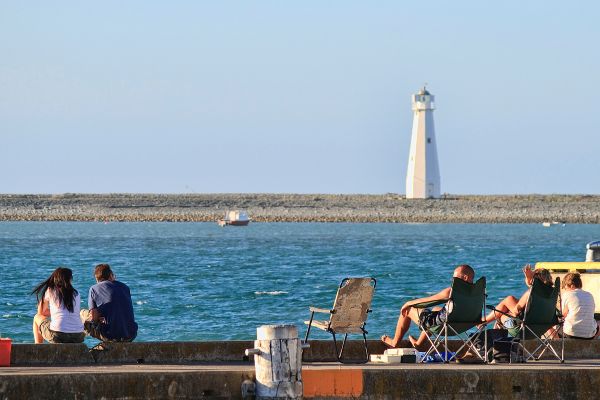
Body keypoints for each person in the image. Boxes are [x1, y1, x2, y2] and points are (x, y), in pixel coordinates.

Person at [381, 264, 475, 348]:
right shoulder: (476, 292)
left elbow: (429, 300)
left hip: (444, 326)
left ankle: (394, 343)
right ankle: (418, 344)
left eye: (455, 277)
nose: (452, 280)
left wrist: (408, 303)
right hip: (462, 326)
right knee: (436, 309)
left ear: (465, 277)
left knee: (407, 310)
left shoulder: (451, 292)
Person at [80, 264, 138, 342]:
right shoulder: (125, 287)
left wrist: (97, 319)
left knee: (82, 313)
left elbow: (94, 316)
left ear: (96, 278)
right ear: (111, 275)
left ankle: (77, 341)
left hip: (110, 336)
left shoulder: (94, 289)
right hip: (131, 335)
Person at [483, 265, 553, 328]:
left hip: (524, 326)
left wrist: (507, 313)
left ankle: (483, 322)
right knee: (510, 299)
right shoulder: (550, 293)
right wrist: (529, 278)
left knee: (502, 313)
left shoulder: (530, 293)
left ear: (534, 280)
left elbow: (515, 312)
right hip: (541, 324)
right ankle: (483, 321)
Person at [31, 267, 85, 344]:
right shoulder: (76, 293)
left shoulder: (50, 290)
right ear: (70, 279)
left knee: (37, 317)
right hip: (78, 336)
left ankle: (38, 347)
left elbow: (41, 312)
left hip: (58, 336)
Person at [559, 272, 599, 339]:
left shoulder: (567, 294)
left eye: (566, 288)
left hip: (570, 334)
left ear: (572, 285)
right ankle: (591, 343)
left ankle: (560, 347)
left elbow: (563, 315)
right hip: (589, 335)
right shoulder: (589, 295)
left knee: (551, 327)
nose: (565, 290)